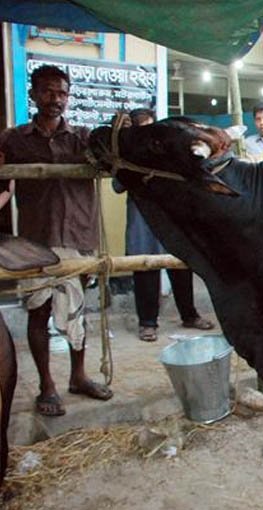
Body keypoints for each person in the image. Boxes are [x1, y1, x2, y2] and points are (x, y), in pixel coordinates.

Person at [0, 65, 113, 416]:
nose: (56, 100)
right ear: (33, 94)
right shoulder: (13, 139)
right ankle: (47, 385)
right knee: (39, 311)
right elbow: (3, 185)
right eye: (48, 92)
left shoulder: (82, 138)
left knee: (79, 310)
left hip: (78, 235)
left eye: (62, 93)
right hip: (35, 240)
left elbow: (112, 159)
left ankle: (78, 376)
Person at [113, 109, 215, 343]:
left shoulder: (167, 150)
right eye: (142, 129)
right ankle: (147, 323)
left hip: (171, 217)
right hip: (142, 221)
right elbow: (118, 187)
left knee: (181, 265)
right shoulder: (127, 155)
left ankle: (189, 315)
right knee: (145, 267)